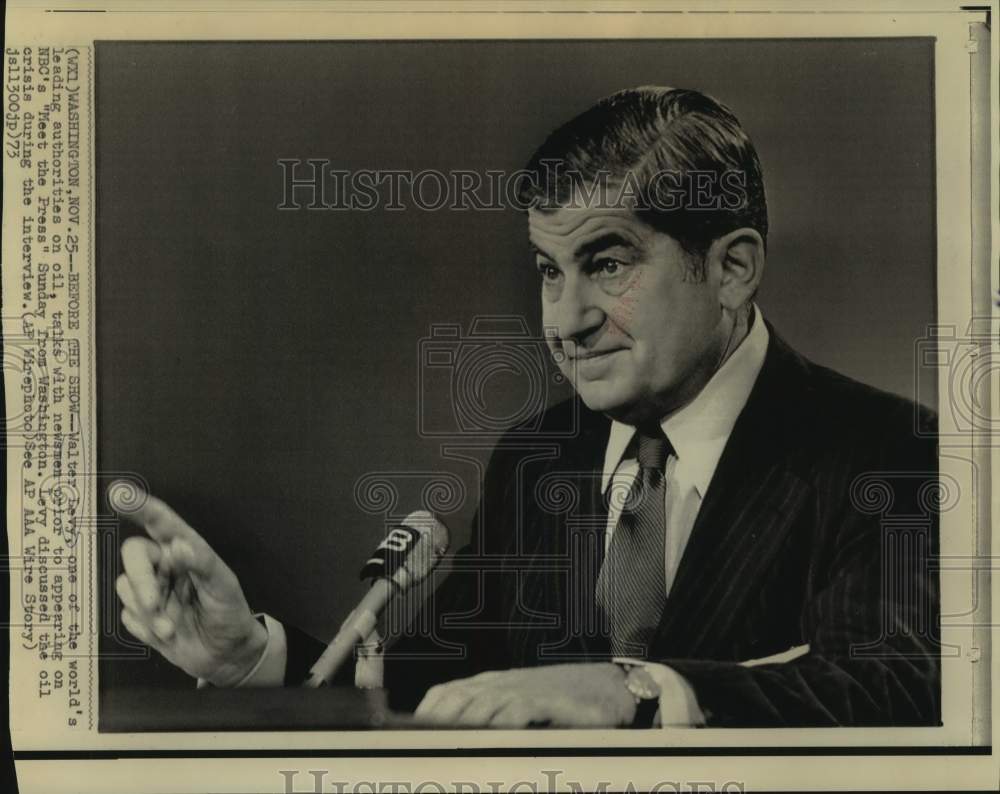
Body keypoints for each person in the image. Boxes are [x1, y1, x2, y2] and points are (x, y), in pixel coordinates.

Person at [113, 86, 940, 728]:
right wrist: (248, 656)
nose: (564, 321)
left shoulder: (892, 453)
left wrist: (637, 692)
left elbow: (898, 686)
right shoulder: (536, 455)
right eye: (550, 271)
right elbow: (431, 693)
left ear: (731, 269)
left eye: (607, 262)